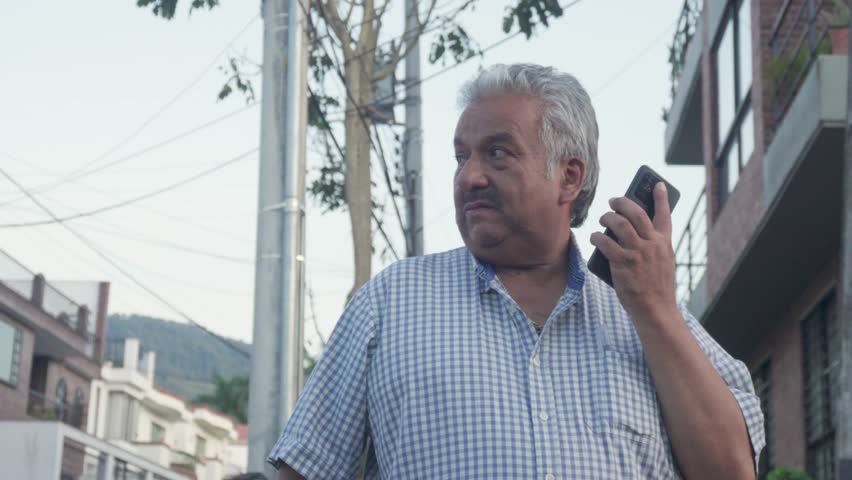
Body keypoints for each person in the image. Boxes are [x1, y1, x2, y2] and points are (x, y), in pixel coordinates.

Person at [268, 63, 765, 479]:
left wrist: (655, 310)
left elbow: (732, 472)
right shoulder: (390, 303)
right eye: (461, 156)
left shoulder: (651, 315)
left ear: (569, 176)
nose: (469, 176)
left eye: (497, 153)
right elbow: (304, 470)